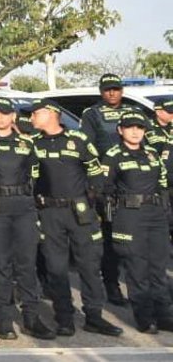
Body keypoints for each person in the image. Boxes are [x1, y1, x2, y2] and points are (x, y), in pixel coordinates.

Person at [30, 98, 123, 337]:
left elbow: (96, 171)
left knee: (90, 265)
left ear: (51, 114)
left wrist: (93, 197)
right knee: (56, 267)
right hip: (49, 212)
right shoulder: (32, 144)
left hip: (81, 212)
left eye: (35, 113)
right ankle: (64, 318)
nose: (31, 118)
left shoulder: (78, 140)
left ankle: (94, 316)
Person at [0, 98, 55, 340]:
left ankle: (31, 318)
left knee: (27, 266)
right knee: (1, 265)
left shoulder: (26, 143)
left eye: (5, 113)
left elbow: (36, 175)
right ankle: (5, 320)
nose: (0, 117)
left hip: (24, 209)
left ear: (13, 117)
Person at [101, 111, 173, 332]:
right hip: (129, 216)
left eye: (139, 127)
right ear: (120, 130)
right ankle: (145, 317)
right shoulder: (113, 155)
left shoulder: (152, 154)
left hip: (156, 215)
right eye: (130, 127)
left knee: (158, 269)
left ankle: (164, 315)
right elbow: (103, 189)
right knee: (137, 268)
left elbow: (163, 184)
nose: (135, 131)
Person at [79, 73, 129, 306]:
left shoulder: (133, 114)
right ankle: (111, 285)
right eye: (107, 89)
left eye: (116, 89)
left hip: (133, 182)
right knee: (109, 239)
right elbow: (87, 147)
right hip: (107, 184)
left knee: (137, 239)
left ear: (122, 90)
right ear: (101, 91)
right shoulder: (92, 114)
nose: (112, 93)